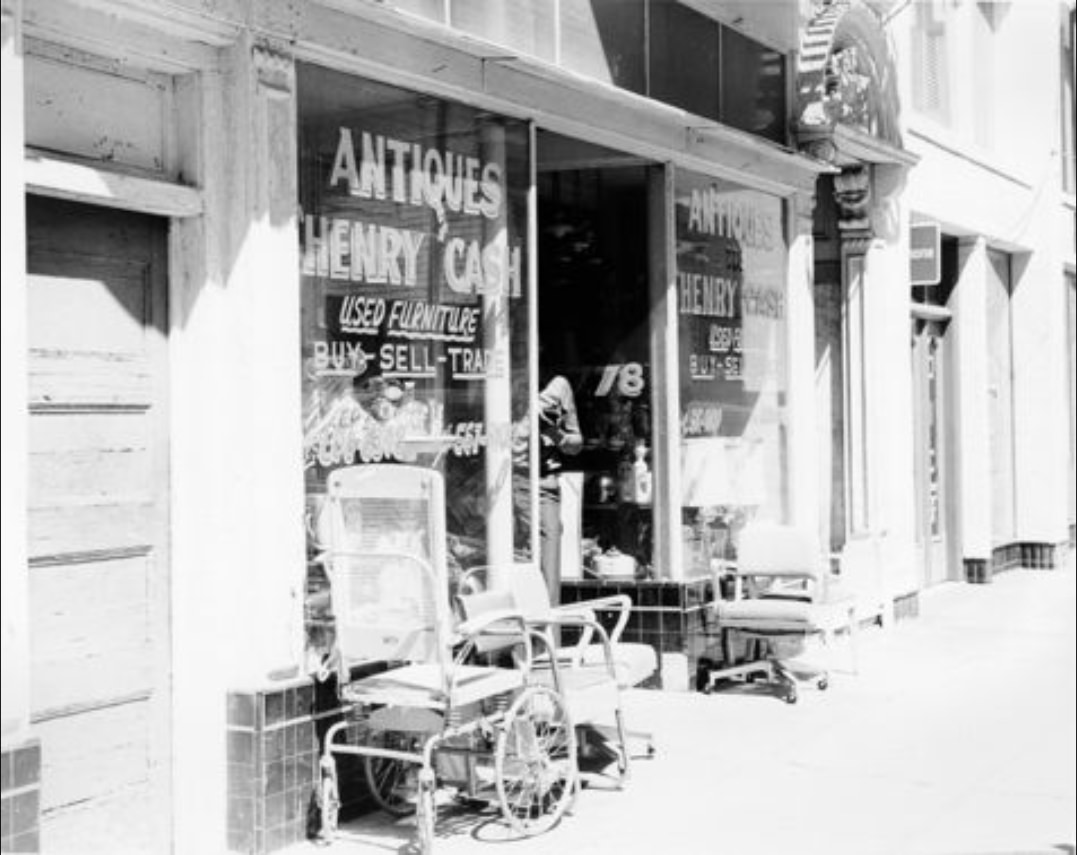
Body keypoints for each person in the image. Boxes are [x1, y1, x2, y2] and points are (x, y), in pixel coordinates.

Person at [513, 372, 583, 605]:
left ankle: (547, 633)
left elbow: (576, 444)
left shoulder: (558, 387)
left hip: (544, 485)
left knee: (548, 565)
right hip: (510, 482)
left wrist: (557, 434)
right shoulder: (504, 380)